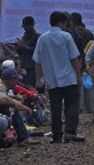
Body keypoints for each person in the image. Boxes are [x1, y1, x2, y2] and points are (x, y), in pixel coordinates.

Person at [33, 11, 84, 143]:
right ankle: (70, 132)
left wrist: (39, 79)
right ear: (62, 22)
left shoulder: (42, 38)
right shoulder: (66, 36)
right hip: (69, 77)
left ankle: (56, 135)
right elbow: (74, 58)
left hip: (52, 80)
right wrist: (79, 76)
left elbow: (37, 61)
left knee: (55, 108)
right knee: (72, 105)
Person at [0, 68, 39, 146]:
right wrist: (24, 107)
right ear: (10, 80)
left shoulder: (0, 84)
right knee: (12, 110)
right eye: (15, 80)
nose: (16, 83)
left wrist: (14, 97)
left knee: (13, 109)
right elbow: (1, 100)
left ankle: (23, 136)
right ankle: (22, 138)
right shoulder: (0, 87)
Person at [16, 16, 41, 86]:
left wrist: (23, 46)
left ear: (31, 25)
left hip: (33, 68)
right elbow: (21, 53)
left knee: (31, 87)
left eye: (26, 27)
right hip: (24, 67)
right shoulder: (24, 37)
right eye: (24, 27)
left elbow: (36, 51)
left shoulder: (37, 37)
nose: (25, 29)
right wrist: (19, 47)